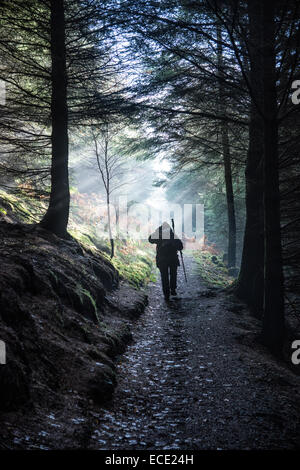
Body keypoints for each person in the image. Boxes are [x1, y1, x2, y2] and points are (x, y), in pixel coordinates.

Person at [149, 222, 183, 302]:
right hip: (166, 259)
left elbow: (180, 246)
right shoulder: (165, 235)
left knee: (168, 276)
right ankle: (169, 292)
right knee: (169, 276)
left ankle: (169, 293)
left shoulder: (171, 236)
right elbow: (150, 239)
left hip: (167, 259)